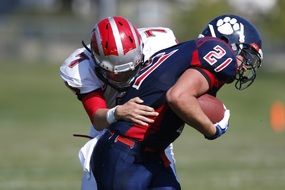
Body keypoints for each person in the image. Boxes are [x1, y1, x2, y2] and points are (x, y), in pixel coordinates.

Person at [90, 14, 263, 189]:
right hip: (126, 153)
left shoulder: (185, 49)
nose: (246, 66)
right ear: (228, 42)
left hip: (146, 154)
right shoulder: (222, 52)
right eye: (247, 55)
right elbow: (178, 97)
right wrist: (213, 130)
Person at [59, 16, 179, 190]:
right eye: (118, 73)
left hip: (151, 129)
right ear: (98, 61)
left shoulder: (160, 43)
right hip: (108, 132)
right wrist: (118, 112)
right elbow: (98, 119)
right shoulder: (81, 67)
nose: (127, 76)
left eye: (132, 68)